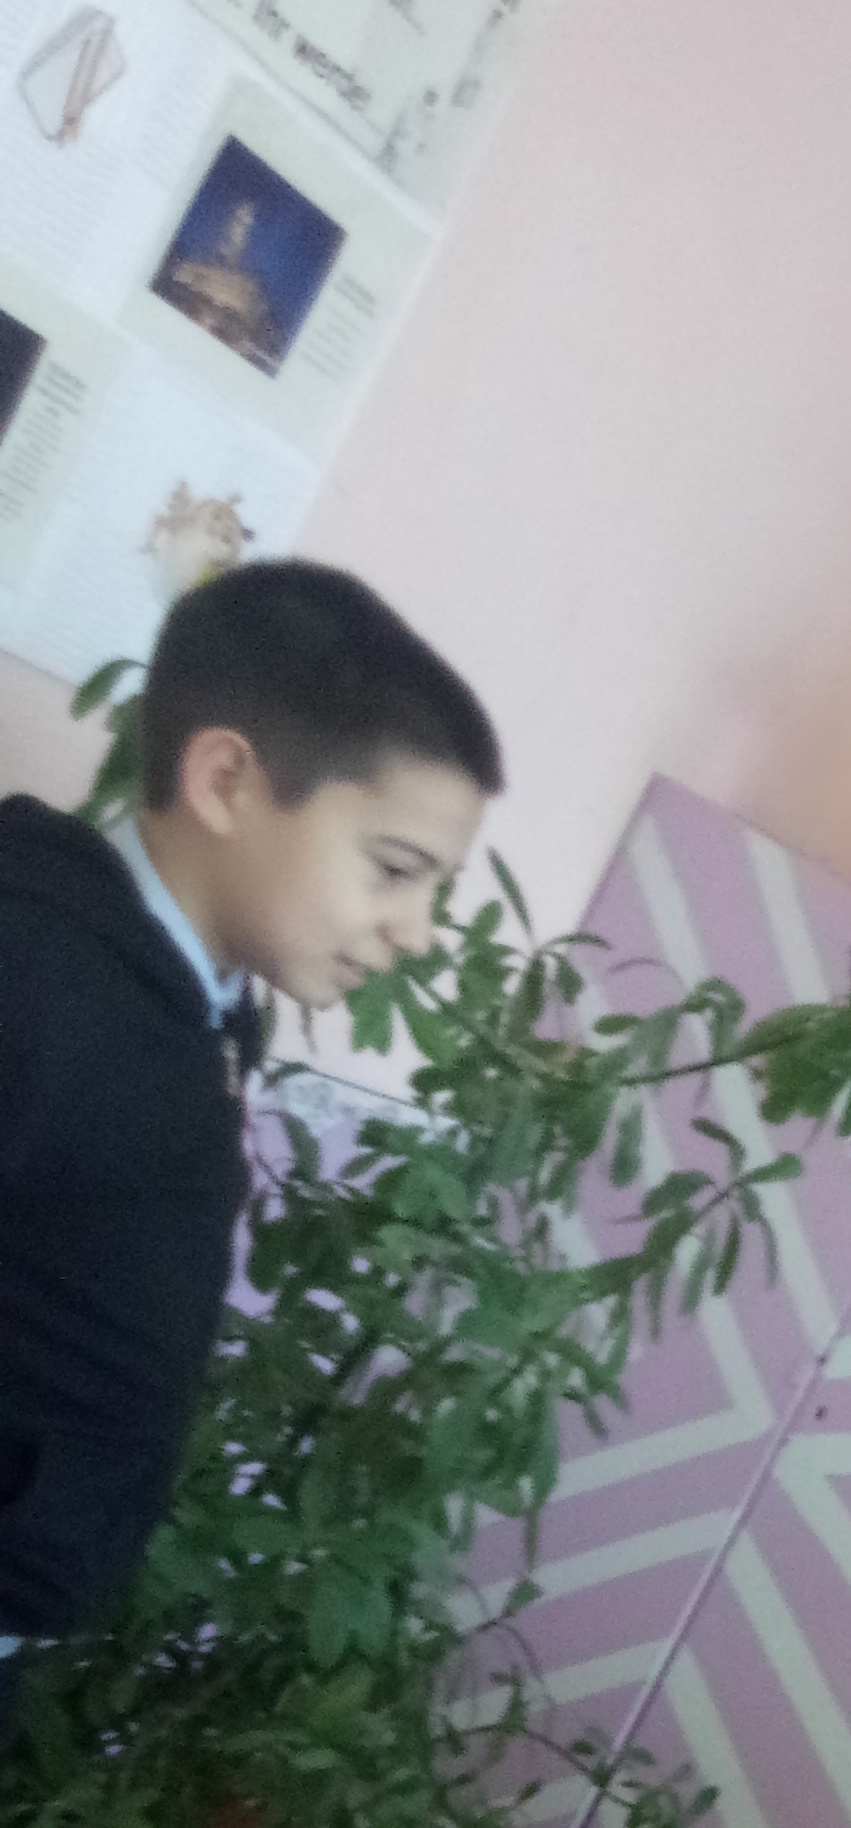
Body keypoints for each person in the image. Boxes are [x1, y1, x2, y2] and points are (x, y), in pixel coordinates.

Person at [0, 560, 498, 1739]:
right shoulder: (34, 980)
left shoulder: (206, 1005)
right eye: (394, 869)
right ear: (226, 779)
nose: (419, 931)